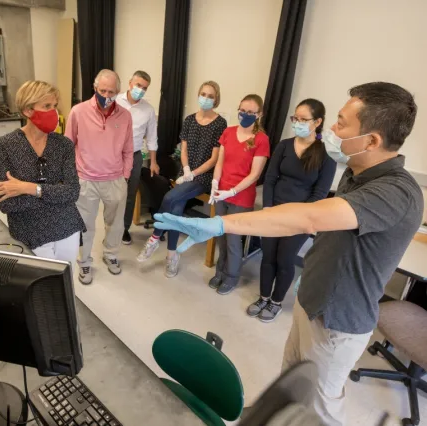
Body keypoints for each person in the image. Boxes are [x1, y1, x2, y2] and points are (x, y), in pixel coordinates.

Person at [153, 82, 423, 425]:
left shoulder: (396, 191)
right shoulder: (357, 176)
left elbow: (309, 217)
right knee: (291, 389)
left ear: (371, 140)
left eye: (341, 123)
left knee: (319, 410)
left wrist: (222, 226)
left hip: (338, 320)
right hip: (311, 301)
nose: (333, 130)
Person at [247, 99, 335, 322]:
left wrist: (299, 217)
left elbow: (320, 193)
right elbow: (270, 179)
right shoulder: (284, 145)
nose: (297, 123)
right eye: (295, 118)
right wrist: (267, 208)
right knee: (268, 256)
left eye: (303, 119)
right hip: (273, 211)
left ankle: (276, 302)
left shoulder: (326, 155)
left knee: (284, 259)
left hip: (300, 218)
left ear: (317, 122)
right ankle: (263, 297)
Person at [136, 81, 227, 277]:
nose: (205, 98)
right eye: (203, 93)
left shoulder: (220, 124)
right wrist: (185, 169)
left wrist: (193, 174)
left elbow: (214, 159)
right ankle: (171, 256)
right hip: (185, 173)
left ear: (216, 99)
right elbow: (183, 149)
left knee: (169, 198)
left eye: (210, 96)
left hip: (203, 177)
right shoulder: (189, 120)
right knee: (175, 208)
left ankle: (154, 238)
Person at [0, 80, 85, 265]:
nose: (55, 112)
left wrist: (27, 187)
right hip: (29, 232)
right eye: (47, 106)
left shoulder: (63, 145)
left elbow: (72, 192)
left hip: (66, 226)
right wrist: (54, 191)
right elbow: (7, 204)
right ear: (28, 110)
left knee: (65, 282)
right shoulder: (4, 146)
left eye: (55, 106)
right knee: (42, 288)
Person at [65, 69, 133, 285]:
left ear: (118, 92)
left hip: (114, 180)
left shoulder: (125, 116)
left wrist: (125, 175)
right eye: (102, 90)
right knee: (85, 224)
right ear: (95, 89)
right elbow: (68, 146)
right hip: (86, 179)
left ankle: (111, 255)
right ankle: (84, 261)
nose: (106, 95)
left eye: (111, 91)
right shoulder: (78, 112)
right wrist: (71, 177)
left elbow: (129, 149)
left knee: (115, 223)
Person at [208, 94, 270, 295]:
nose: (245, 115)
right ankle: (220, 271)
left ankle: (231, 276)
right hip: (220, 193)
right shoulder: (228, 132)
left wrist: (232, 191)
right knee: (221, 236)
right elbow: (220, 162)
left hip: (241, 197)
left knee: (234, 241)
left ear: (259, 114)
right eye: (242, 110)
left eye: (251, 112)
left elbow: (255, 174)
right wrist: (215, 184)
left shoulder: (261, 139)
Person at [115, 70, 159, 245]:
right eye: (138, 85)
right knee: (111, 194)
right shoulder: (115, 101)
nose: (140, 90)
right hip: (112, 155)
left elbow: (152, 137)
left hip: (134, 156)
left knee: (129, 194)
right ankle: (111, 227)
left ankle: (124, 228)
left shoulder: (148, 110)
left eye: (144, 88)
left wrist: (154, 162)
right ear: (130, 83)